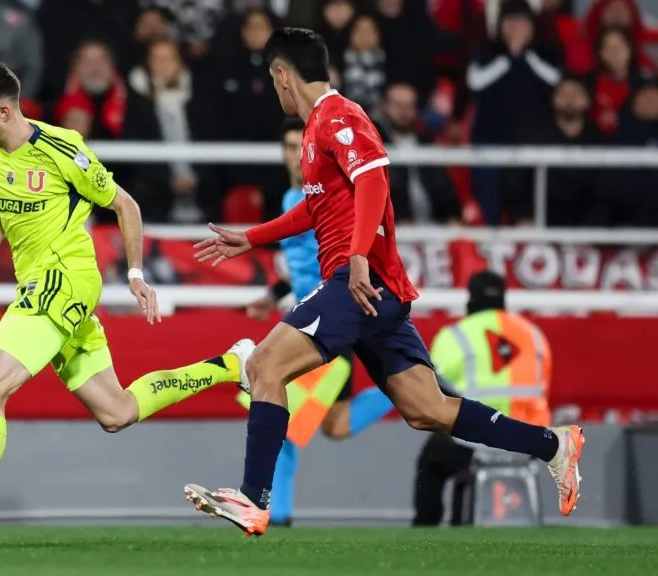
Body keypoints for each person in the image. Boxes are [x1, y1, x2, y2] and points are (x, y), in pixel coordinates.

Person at [182, 28, 585, 537]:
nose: (275, 89)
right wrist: (253, 238)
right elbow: (317, 206)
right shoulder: (314, 131)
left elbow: (373, 179)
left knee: (264, 364)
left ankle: (253, 499)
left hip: (358, 284)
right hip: (375, 293)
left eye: (273, 79)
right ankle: (555, 446)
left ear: (283, 74)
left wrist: (355, 258)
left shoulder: (340, 116)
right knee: (427, 410)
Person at [0, 62, 249, 544]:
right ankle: (232, 364)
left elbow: (125, 205)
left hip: (63, 280)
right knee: (117, 412)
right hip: (42, 287)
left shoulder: (62, 149)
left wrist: (135, 275)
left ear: (4, 110)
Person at [244, 117, 395, 526]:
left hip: (326, 318)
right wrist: (273, 296)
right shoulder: (291, 197)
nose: (295, 154)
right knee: (337, 425)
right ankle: (409, 383)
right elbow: (301, 267)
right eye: (289, 147)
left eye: (300, 146)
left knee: (280, 414)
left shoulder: (328, 194)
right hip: (309, 314)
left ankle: (277, 517)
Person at [412, 270, 552, 526]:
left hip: (476, 443)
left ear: (470, 298)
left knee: (431, 460)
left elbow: (434, 386)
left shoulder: (456, 336)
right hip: (529, 442)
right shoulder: (534, 335)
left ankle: (428, 525)